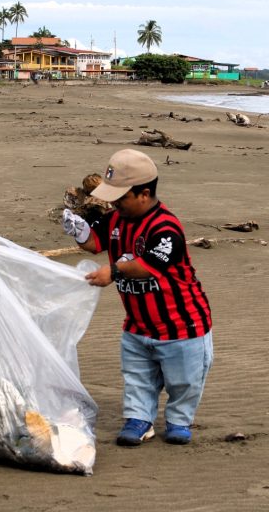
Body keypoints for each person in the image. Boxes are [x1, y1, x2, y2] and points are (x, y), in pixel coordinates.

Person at [61, 149, 213, 446]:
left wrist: (114, 272)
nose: (114, 203)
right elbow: (95, 243)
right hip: (138, 326)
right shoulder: (116, 219)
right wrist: (80, 233)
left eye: (121, 197)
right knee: (137, 376)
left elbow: (148, 266)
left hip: (182, 327)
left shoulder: (166, 227)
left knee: (184, 381)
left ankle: (179, 420)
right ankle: (139, 419)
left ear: (144, 194)